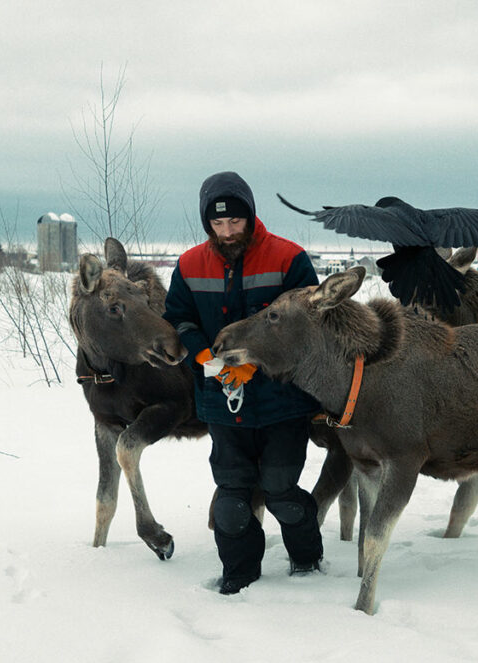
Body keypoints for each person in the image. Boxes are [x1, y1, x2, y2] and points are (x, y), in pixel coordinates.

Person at [163, 171, 324, 595]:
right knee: (232, 501)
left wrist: (255, 361)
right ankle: (238, 573)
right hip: (221, 401)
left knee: (280, 491)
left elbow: (311, 323)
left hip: (283, 401)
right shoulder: (189, 264)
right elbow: (178, 316)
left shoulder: (289, 258)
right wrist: (203, 355)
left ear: (251, 216)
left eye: (235, 222)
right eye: (217, 224)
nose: (227, 231)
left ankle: (307, 561)